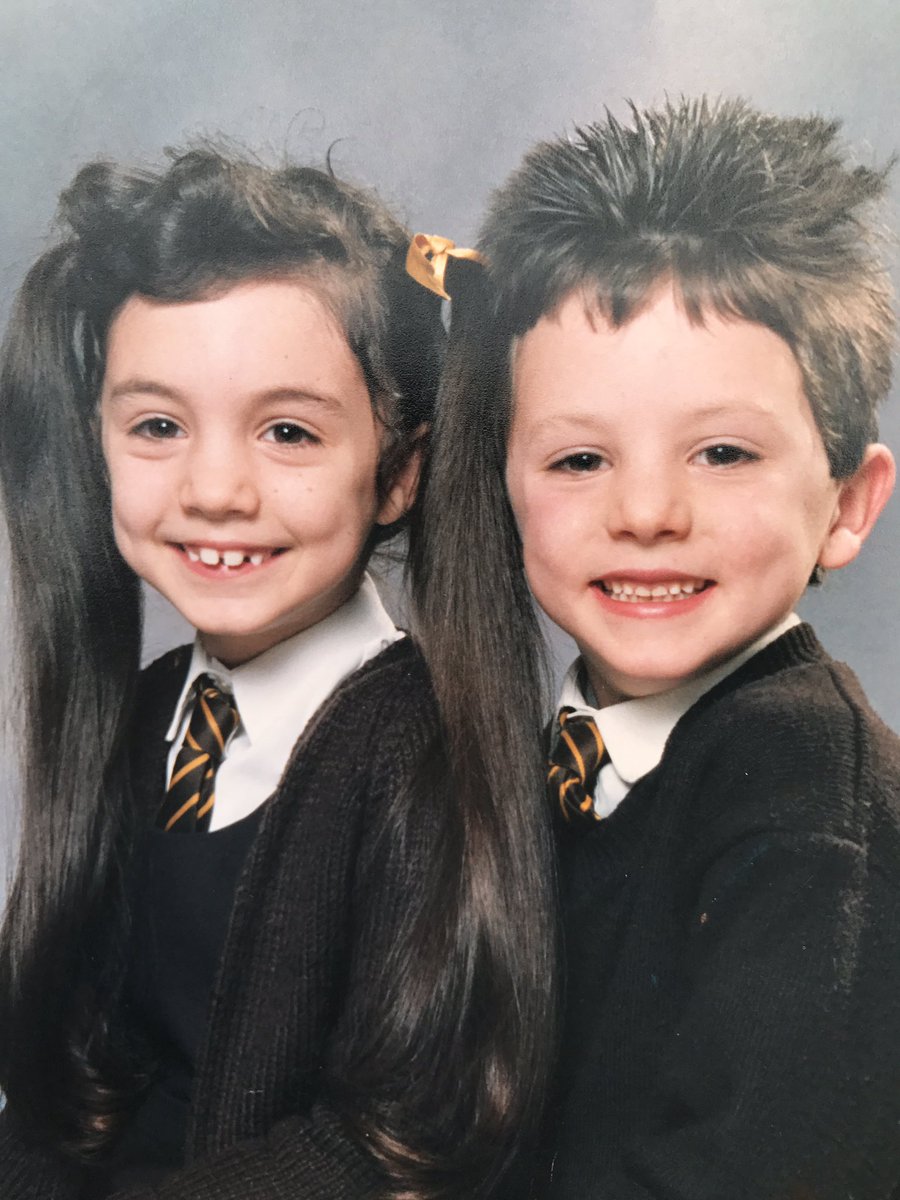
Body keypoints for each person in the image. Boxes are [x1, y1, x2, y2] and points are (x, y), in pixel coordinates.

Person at [0, 147, 556, 1199]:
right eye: (158, 426)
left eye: (288, 432)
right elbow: (64, 1098)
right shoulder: (154, 715)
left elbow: (387, 1146)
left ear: (398, 474)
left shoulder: (423, 758)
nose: (215, 489)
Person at [412, 98, 900, 1198]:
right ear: (503, 480)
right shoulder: (555, 761)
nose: (644, 513)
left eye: (722, 453)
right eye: (579, 460)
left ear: (847, 504)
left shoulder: (808, 801)